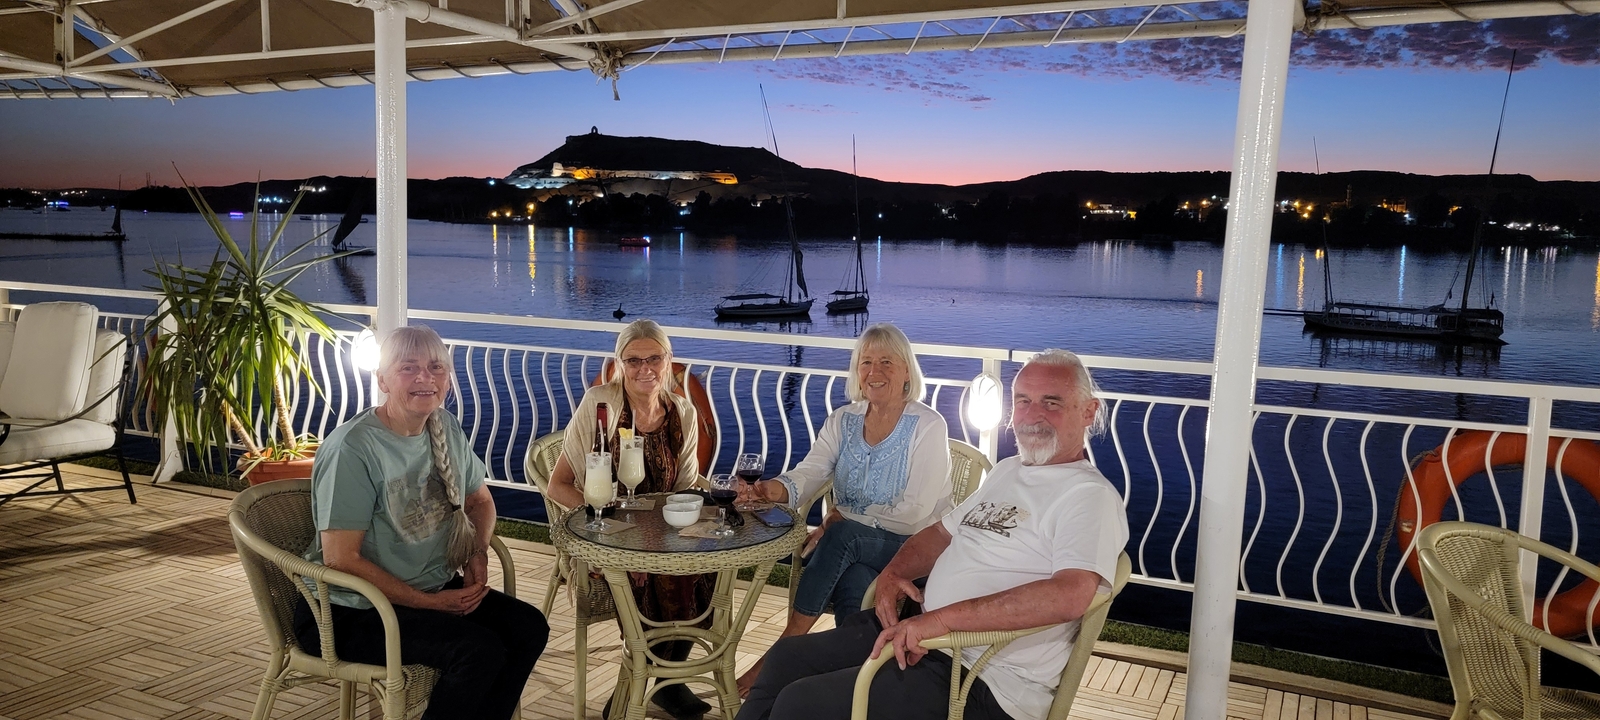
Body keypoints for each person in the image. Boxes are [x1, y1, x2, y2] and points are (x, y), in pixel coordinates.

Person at [735, 349, 1129, 720]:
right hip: (924, 637)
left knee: (803, 702)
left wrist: (941, 621)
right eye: (1023, 401)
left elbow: (1070, 594)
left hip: (980, 679)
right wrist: (893, 573)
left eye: (1052, 402)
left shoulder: (1088, 495)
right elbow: (940, 533)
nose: (1033, 414)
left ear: (1089, 411)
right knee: (787, 658)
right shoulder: (1009, 470)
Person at [296, 325, 548, 720]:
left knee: (528, 627)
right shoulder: (353, 448)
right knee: (477, 651)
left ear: (448, 378)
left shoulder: (443, 426)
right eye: (408, 368)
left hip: (428, 587)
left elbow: (480, 500)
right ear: (382, 380)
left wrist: (476, 553)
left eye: (435, 367)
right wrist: (428, 603)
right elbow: (340, 558)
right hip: (347, 610)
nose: (424, 378)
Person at [736, 323, 952, 695]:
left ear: (906, 371)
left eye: (887, 362)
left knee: (842, 535)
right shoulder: (843, 421)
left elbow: (915, 514)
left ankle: (781, 651)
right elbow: (810, 472)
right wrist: (769, 489)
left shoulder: (927, 425)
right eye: (866, 362)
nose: (875, 371)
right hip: (858, 550)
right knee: (854, 577)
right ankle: (858, 682)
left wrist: (841, 517)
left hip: (916, 548)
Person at [547, 318, 712, 720]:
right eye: (633, 360)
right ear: (619, 363)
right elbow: (558, 486)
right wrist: (605, 523)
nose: (645, 369)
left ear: (669, 361)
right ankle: (647, 683)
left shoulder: (682, 413)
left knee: (708, 564)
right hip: (605, 532)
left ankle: (659, 682)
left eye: (654, 358)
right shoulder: (601, 407)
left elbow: (686, 487)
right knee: (654, 571)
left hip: (663, 532)